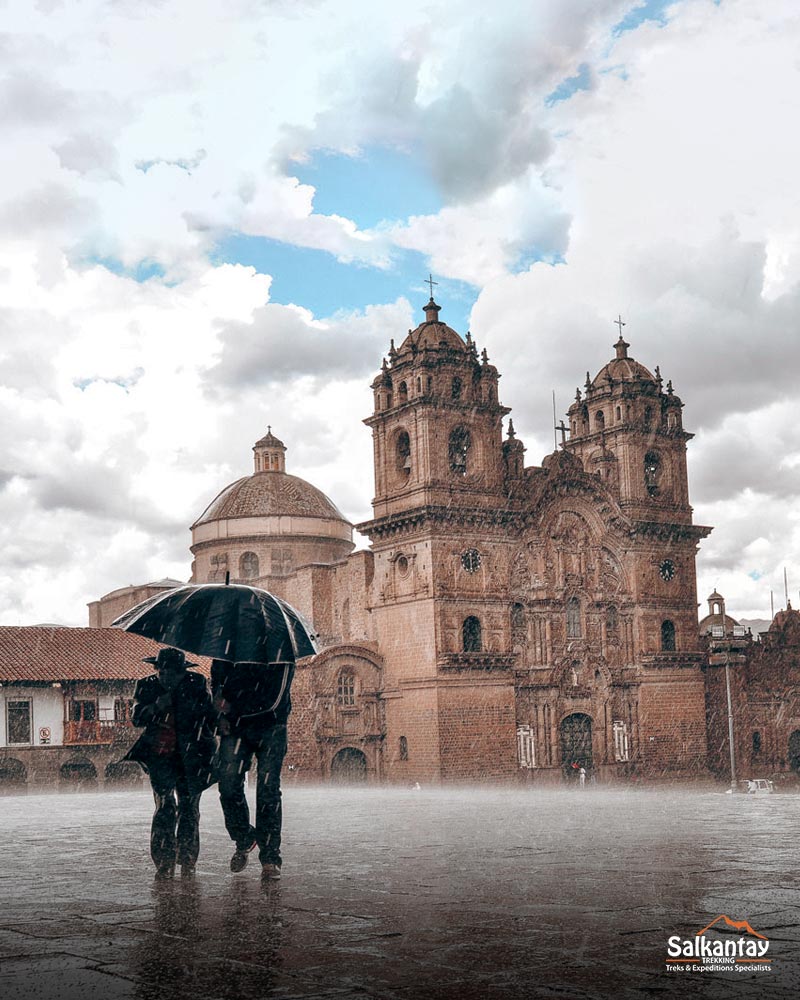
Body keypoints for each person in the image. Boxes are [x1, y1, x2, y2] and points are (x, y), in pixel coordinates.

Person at [124, 647, 216, 879]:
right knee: (164, 807)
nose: (166, 677)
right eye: (162, 671)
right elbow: (137, 718)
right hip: (160, 755)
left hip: (193, 756)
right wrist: (157, 706)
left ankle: (187, 861)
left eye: (172, 673)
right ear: (156, 670)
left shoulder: (197, 683)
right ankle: (164, 862)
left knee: (189, 808)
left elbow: (208, 716)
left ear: (182, 672)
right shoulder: (147, 686)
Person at [212, 655, 295, 880]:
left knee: (268, 789)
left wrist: (235, 709)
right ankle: (245, 838)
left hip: (272, 726)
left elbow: (275, 699)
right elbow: (217, 680)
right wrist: (219, 708)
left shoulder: (281, 649)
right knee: (228, 786)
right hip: (235, 727)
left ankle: (270, 857)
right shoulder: (228, 644)